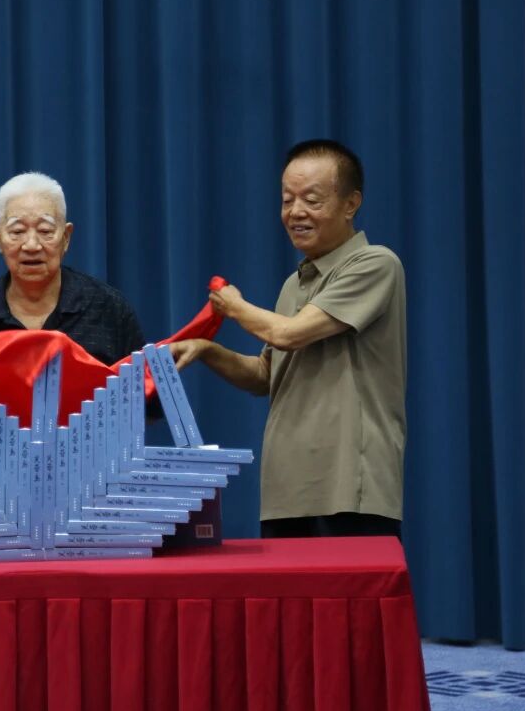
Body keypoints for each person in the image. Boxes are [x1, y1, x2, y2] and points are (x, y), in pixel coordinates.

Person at [170, 139, 407, 539]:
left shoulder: (376, 264)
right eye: (287, 200)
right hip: (286, 492)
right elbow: (265, 375)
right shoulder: (293, 285)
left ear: (351, 204)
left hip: (348, 488)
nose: (296, 212)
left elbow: (288, 334)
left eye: (312, 200)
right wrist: (207, 350)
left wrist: (233, 306)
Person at [0, 171, 146, 364]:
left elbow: (141, 383)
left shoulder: (110, 310)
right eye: (17, 231)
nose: (32, 245)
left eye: (45, 231)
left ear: (66, 237)